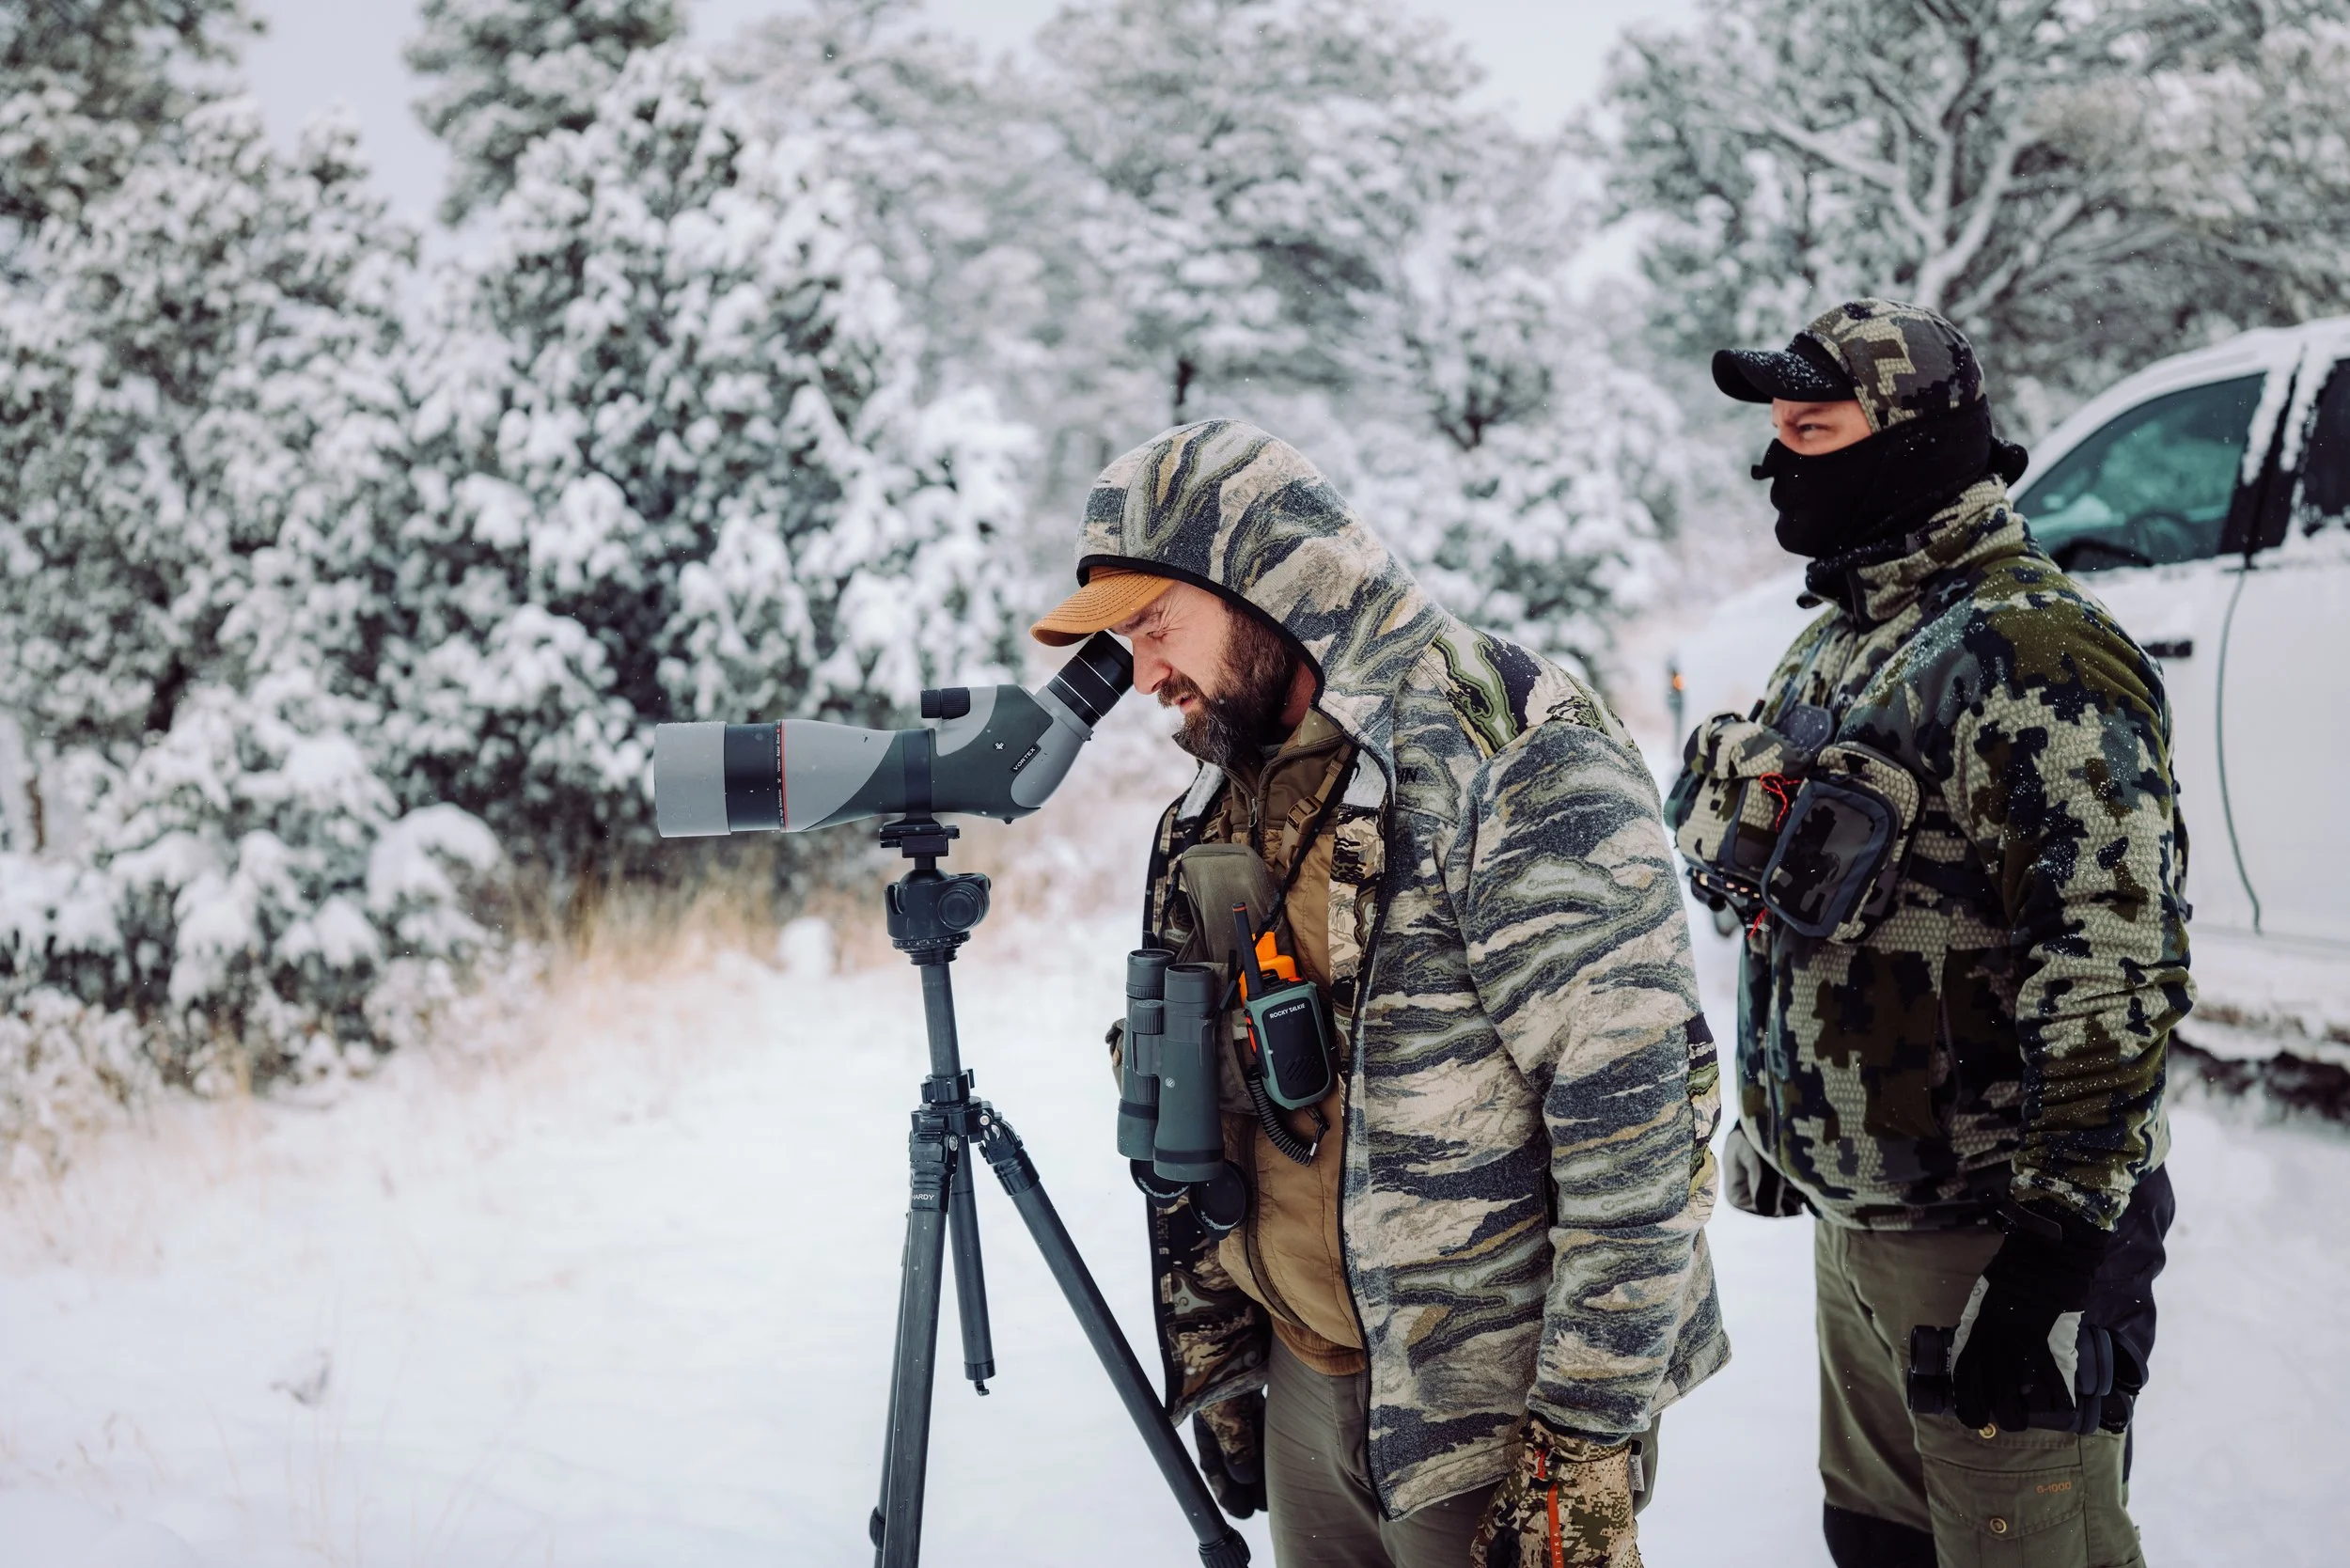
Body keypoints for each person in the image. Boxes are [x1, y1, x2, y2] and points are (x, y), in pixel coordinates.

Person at [1029, 420, 1729, 1568]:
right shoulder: (1218, 804)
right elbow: (1204, 1111)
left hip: (1493, 1417)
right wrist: (1226, 1368)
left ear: (1263, 579)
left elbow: (1637, 1123)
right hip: (1309, 1379)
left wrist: (1584, 1443)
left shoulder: (1507, 747)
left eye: (1157, 625)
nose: (1144, 675)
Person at [1670, 300, 2189, 1568]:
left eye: (1812, 428)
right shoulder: (1836, 651)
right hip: (1871, 1237)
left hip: (1999, 1239)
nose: (1778, 463)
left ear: (1914, 439)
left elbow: (2112, 963)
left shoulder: (2031, 654)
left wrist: (2054, 1255)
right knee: (1883, 1547)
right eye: (1775, 432)